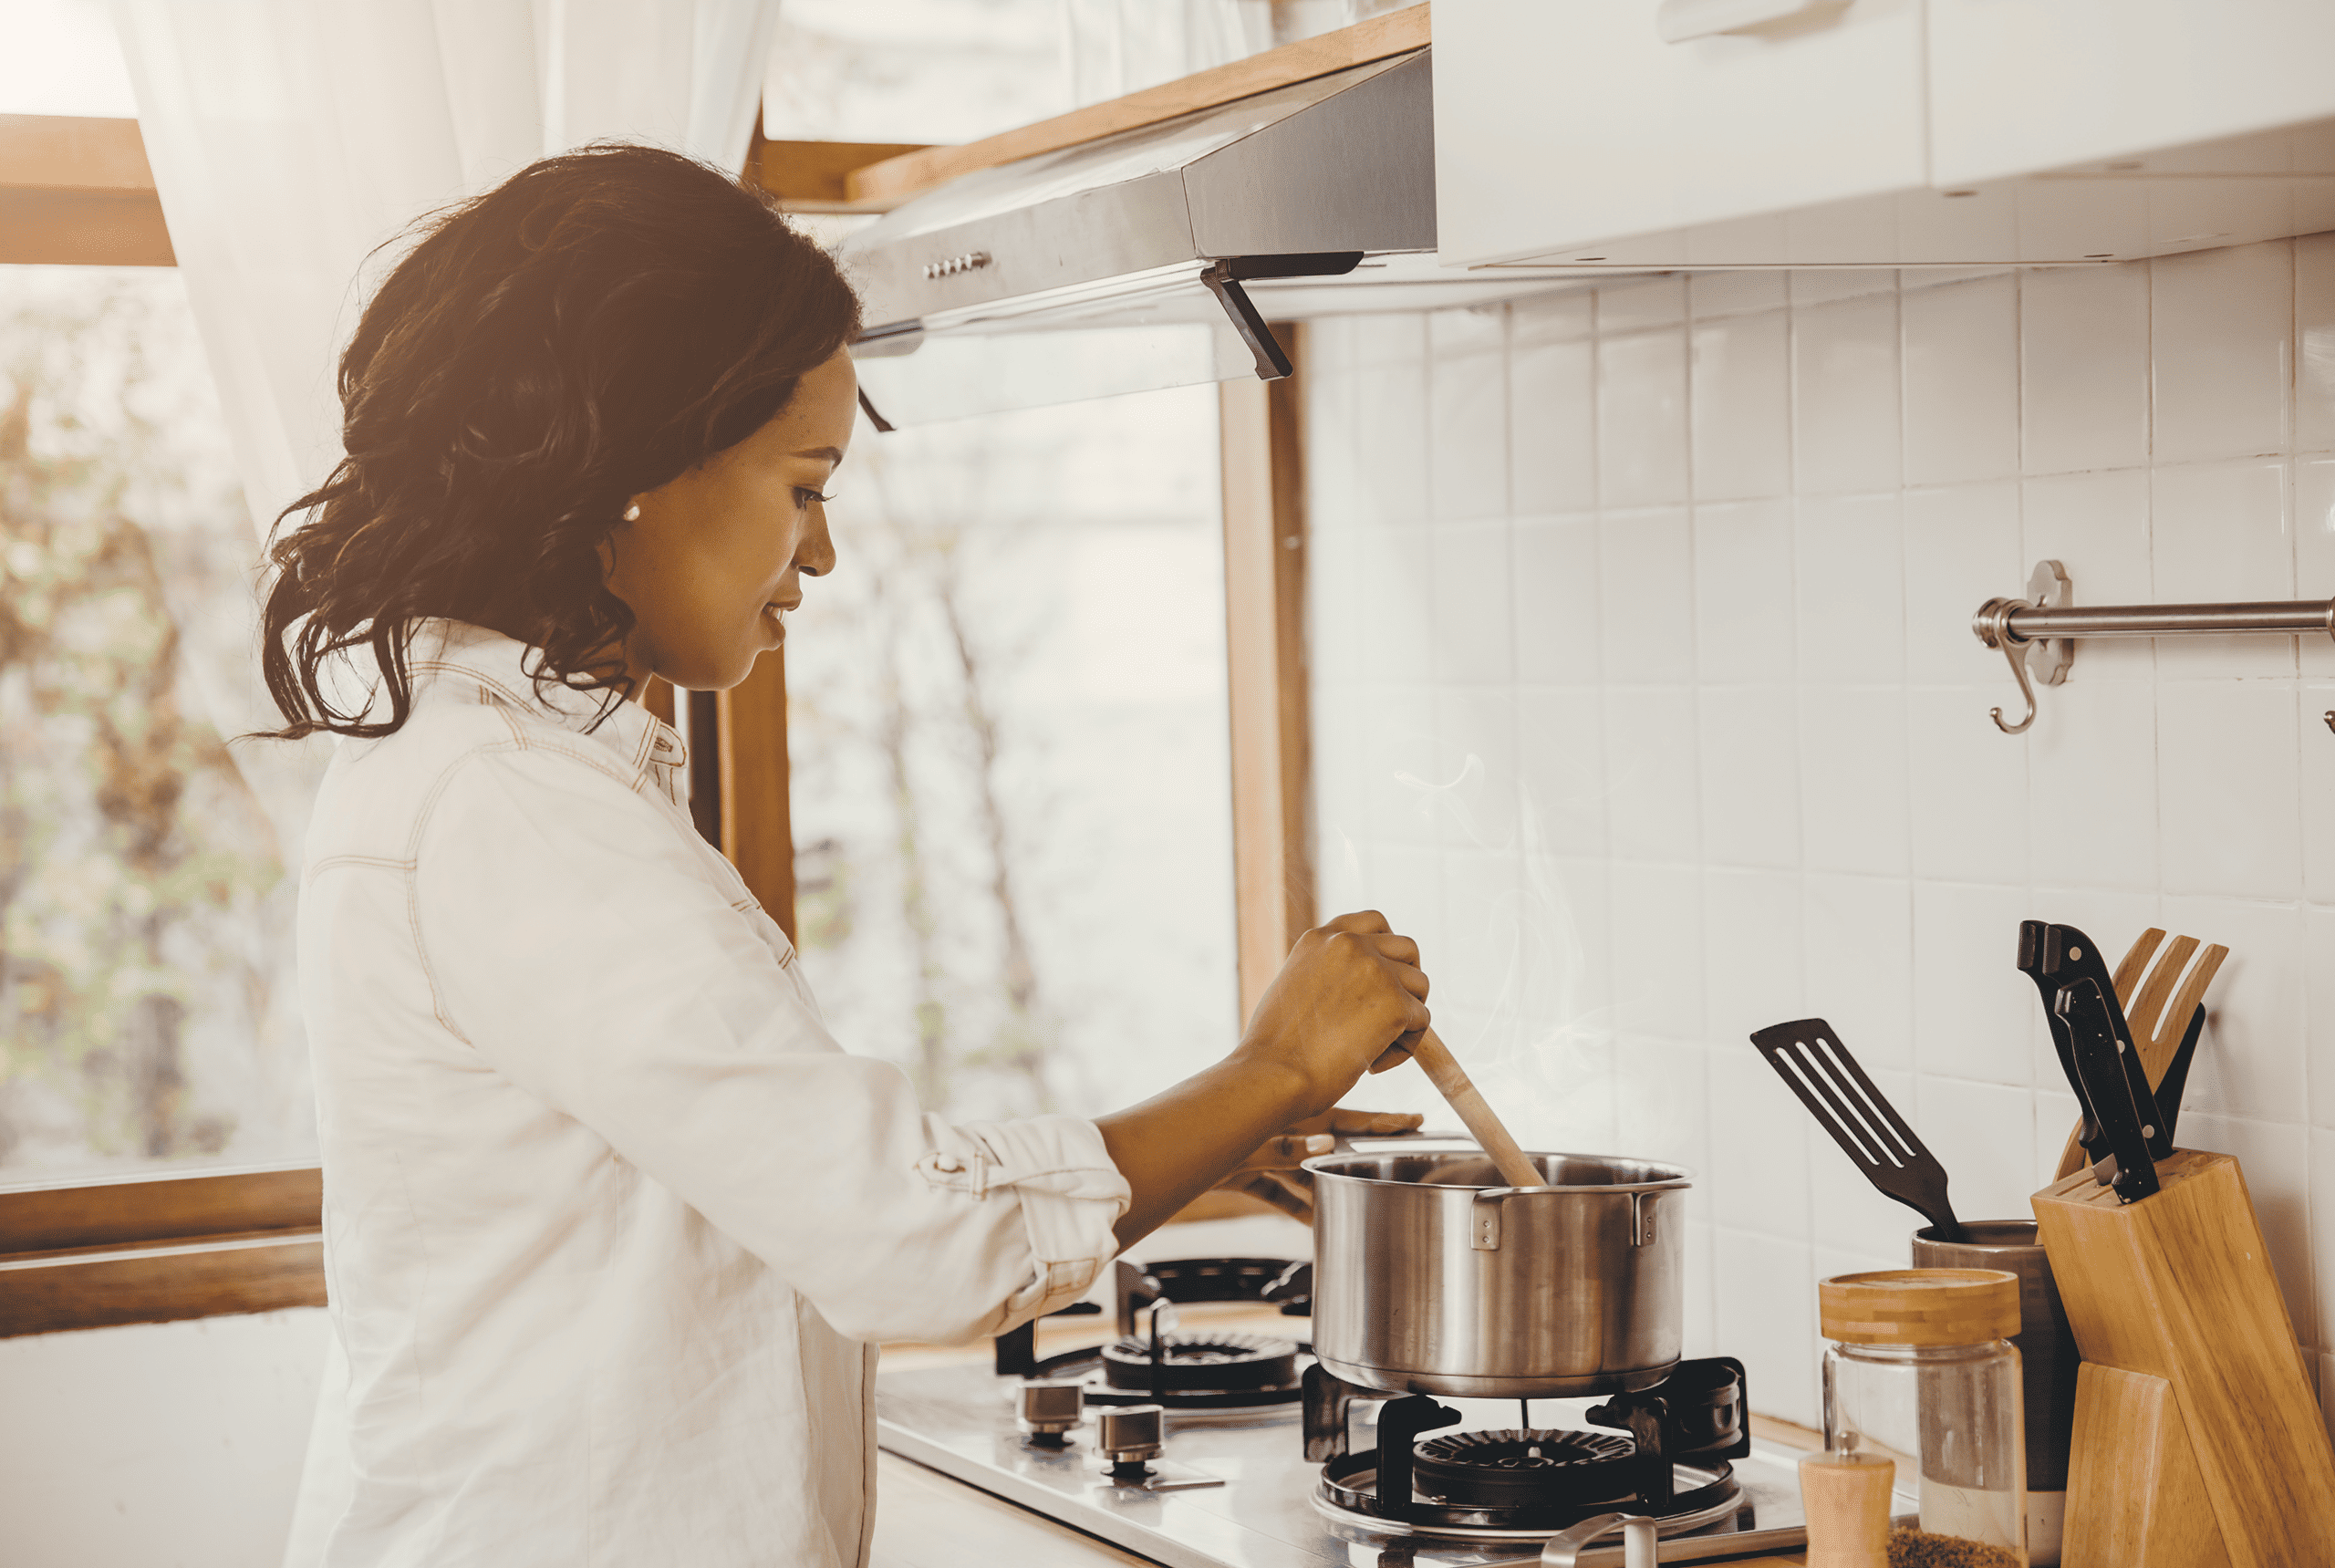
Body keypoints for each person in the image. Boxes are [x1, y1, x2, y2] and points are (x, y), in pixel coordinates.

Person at [265, 144, 1432, 1568]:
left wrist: (1230, 1119)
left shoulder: (496, 772)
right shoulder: (514, 811)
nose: (820, 555)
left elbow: (787, 1172)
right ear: (639, 470)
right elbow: (914, 1238)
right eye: (804, 483)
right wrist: (1275, 1067)